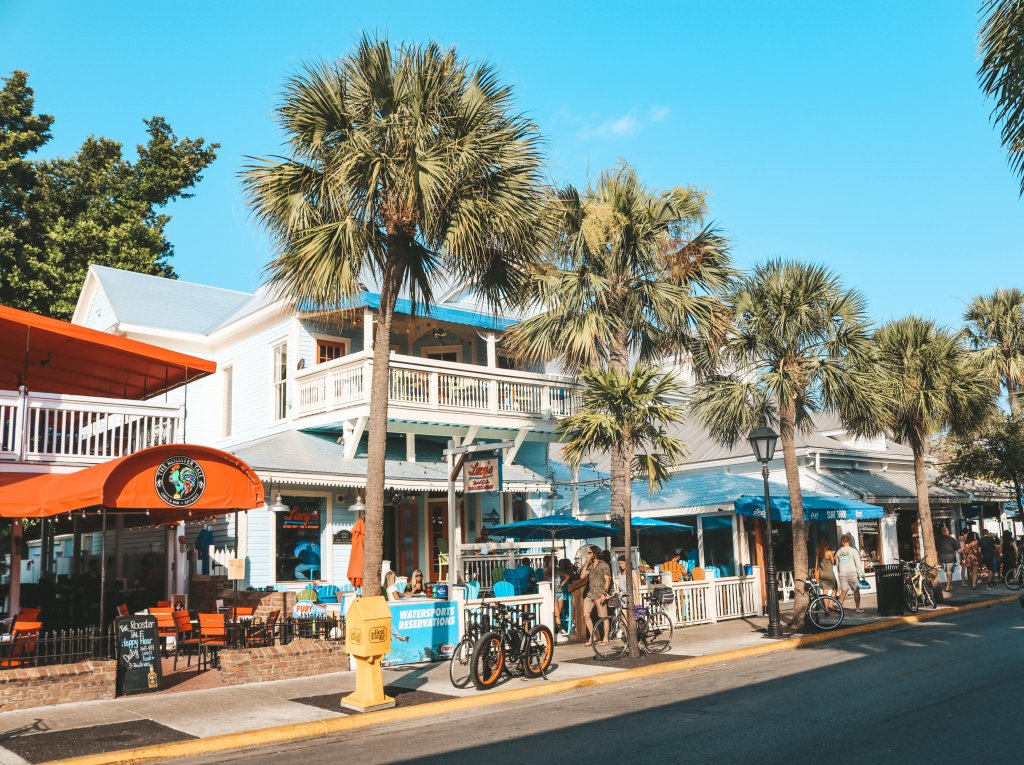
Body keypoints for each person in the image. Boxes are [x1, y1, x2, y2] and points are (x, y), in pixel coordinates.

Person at [580, 545, 611, 647]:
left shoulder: (604, 565)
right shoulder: (589, 565)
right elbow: (582, 576)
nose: (588, 554)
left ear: (595, 553)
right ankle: (592, 636)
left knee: (604, 617)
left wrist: (604, 593)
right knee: (586, 615)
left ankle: (606, 638)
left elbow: (607, 581)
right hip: (590, 594)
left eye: (589, 553)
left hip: (600, 594)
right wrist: (586, 562)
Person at [835, 534, 866, 613]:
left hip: (843, 574)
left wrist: (839, 575)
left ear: (842, 542)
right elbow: (858, 564)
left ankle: (840, 608)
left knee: (844, 591)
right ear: (849, 541)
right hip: (853, 574)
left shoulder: (838, 552)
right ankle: (857, 609)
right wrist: (862, 574)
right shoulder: (853, 551)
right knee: (856, 591)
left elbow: (837, 565)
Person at [936, 526, 960, 593]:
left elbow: (936, 550)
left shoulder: (938, 540)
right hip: (950, 557)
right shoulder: (951, 539)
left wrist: (937, 559)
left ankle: (950, 585)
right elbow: (958, 549)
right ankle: (948, 586)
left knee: (947, 571)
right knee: (949, 572)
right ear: (948, 532)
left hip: (942, 558)